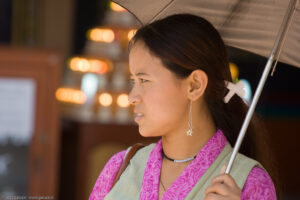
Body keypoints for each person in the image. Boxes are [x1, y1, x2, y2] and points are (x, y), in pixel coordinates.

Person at [89, 14, 277, 200]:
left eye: (144, 80)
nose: (132, 97)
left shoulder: (249, 183)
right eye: (133, 81)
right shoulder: (120, 168)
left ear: (194, 85)